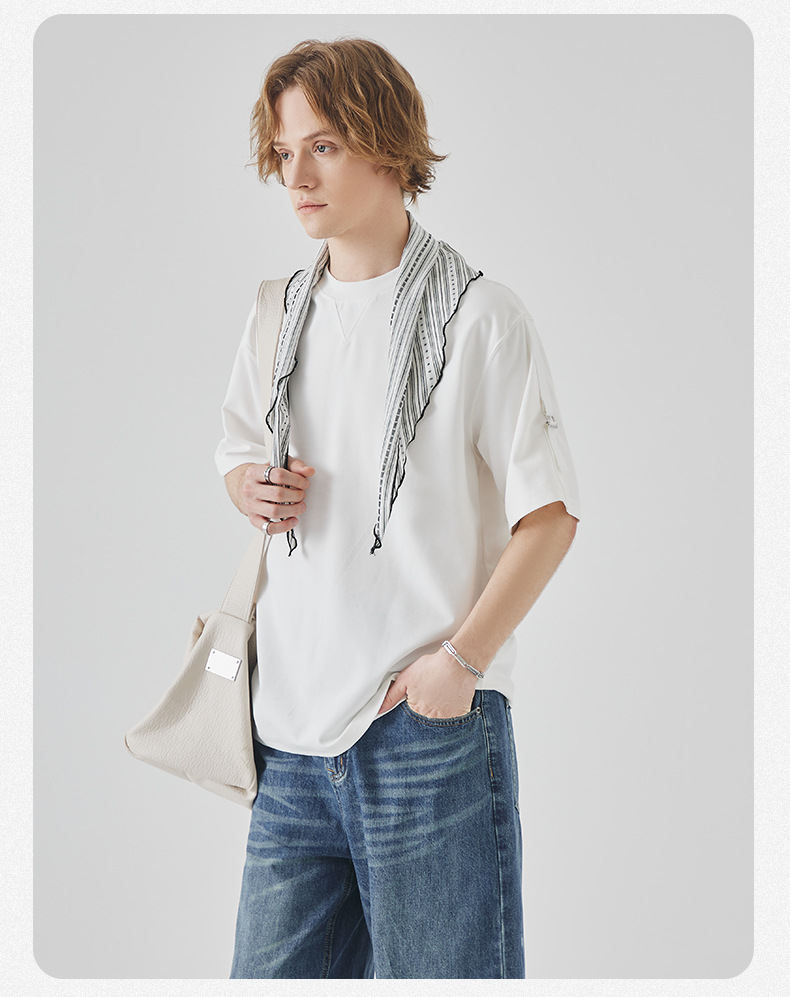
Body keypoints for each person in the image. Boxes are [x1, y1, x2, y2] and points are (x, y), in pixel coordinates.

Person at [215, 37, 581, 980]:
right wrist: (250, 486)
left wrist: (459, 665)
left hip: (424, 736)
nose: (296, 177)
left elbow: (550, 516)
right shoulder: (276, 314)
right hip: (288, 741)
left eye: (323, 146)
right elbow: (237, 458)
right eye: (283, 152)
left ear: (386, 145)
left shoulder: (479, 316)